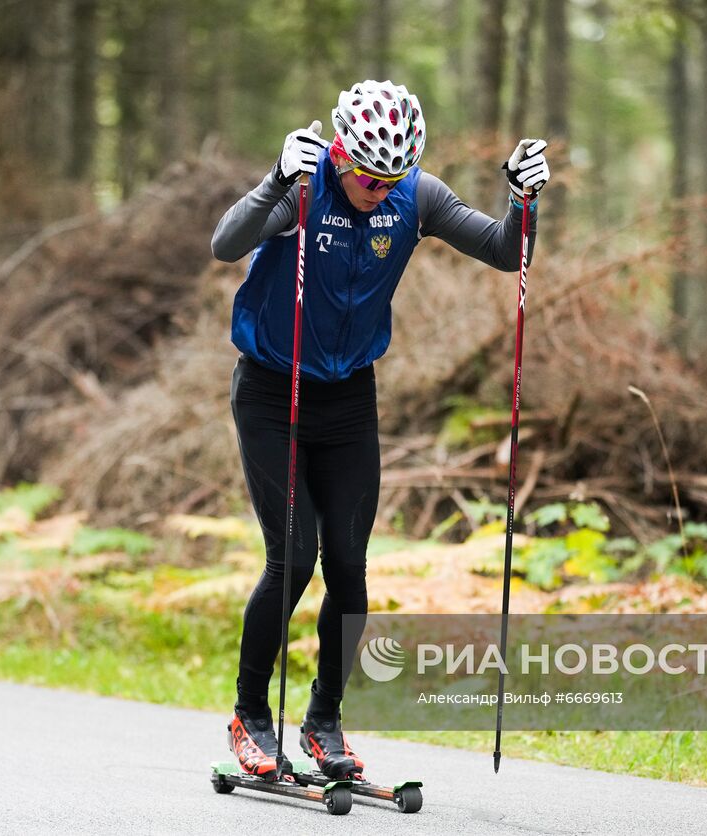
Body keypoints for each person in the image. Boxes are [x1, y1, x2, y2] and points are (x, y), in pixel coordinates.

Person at [211, 79, 550, 781]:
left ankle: (324, 722)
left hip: (348, 398)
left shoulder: (414, 197)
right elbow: (225, 244)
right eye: (367, 175)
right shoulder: (305, 184)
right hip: (274, 391)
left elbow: (501, 249)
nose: (378, 189)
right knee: (293, 557)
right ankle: (251, 715)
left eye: (391, 178)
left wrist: (523, 202)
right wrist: (276, 179)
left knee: (350, 566)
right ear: (341, 154)